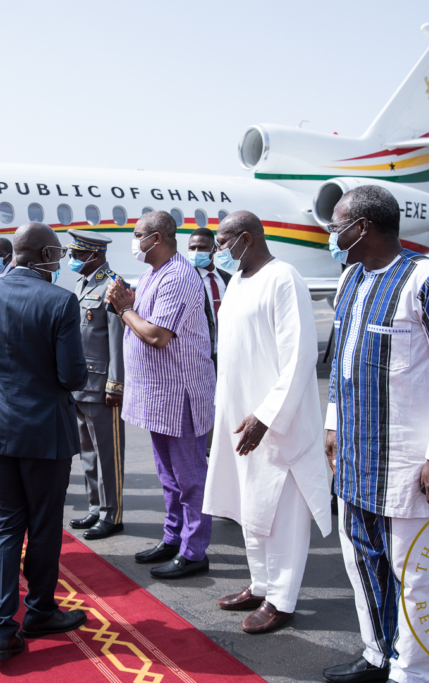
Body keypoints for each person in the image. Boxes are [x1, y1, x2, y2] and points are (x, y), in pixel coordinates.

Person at [321, 186, 429, 683]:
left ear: (361, 227)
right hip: (354, 455)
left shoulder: (428, 280)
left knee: (413, 574)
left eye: (336, 225)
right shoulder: (350, 279)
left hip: (409, 461)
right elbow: (341, 363)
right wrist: (332, 423)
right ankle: (376, 655)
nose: (331, 234)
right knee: (362, 562)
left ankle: (410, 672)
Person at [202, 211, 332, 634]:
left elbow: (300, 356)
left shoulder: (283, 278)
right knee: (252, 508)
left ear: (246, 238)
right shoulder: (237, 282)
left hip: (276, 423)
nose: (218, 250)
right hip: (240, 419)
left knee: (281, 513)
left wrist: (266, 415)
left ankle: (282, 600)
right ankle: (260, 585)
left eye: (223, 242)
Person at [0, 222, 88, 661]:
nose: (62, 260)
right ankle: (39, 610)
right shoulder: (60, 300)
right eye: (58, 253)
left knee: (5, 526)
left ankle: (0, 627)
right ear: (44, 254)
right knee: (44, 525)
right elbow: (72, 376)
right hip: (44, 431)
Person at [105, 211, 215, 580]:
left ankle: (194, 551)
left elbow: (156, 335)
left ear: (157, 238)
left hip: (179, 392)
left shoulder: (178, 276)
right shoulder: (154, 272)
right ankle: (173, 537)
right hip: (159, 393)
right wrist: (129, 302)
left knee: (190, 477)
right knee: (168, 475)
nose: (134, 241)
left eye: (138, 234)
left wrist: (124, 309)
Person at [64, 229, 126, 541]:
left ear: (95, 255)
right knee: (87, 452)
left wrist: (116, 383)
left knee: (108, 453)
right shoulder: (83, 283)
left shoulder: (113, 285)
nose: (73, 259)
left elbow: (117, 339)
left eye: (78, 254)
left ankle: (112, 515)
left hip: (102, 385)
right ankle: (95, 507)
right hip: (81, 384)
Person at [187, 226, 231, 370]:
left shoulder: (229, 280)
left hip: (228, 354)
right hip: (198, 357)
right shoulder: (185, 279)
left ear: (214, 249)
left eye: (202, 248)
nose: (196, 252)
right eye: (192, 248)